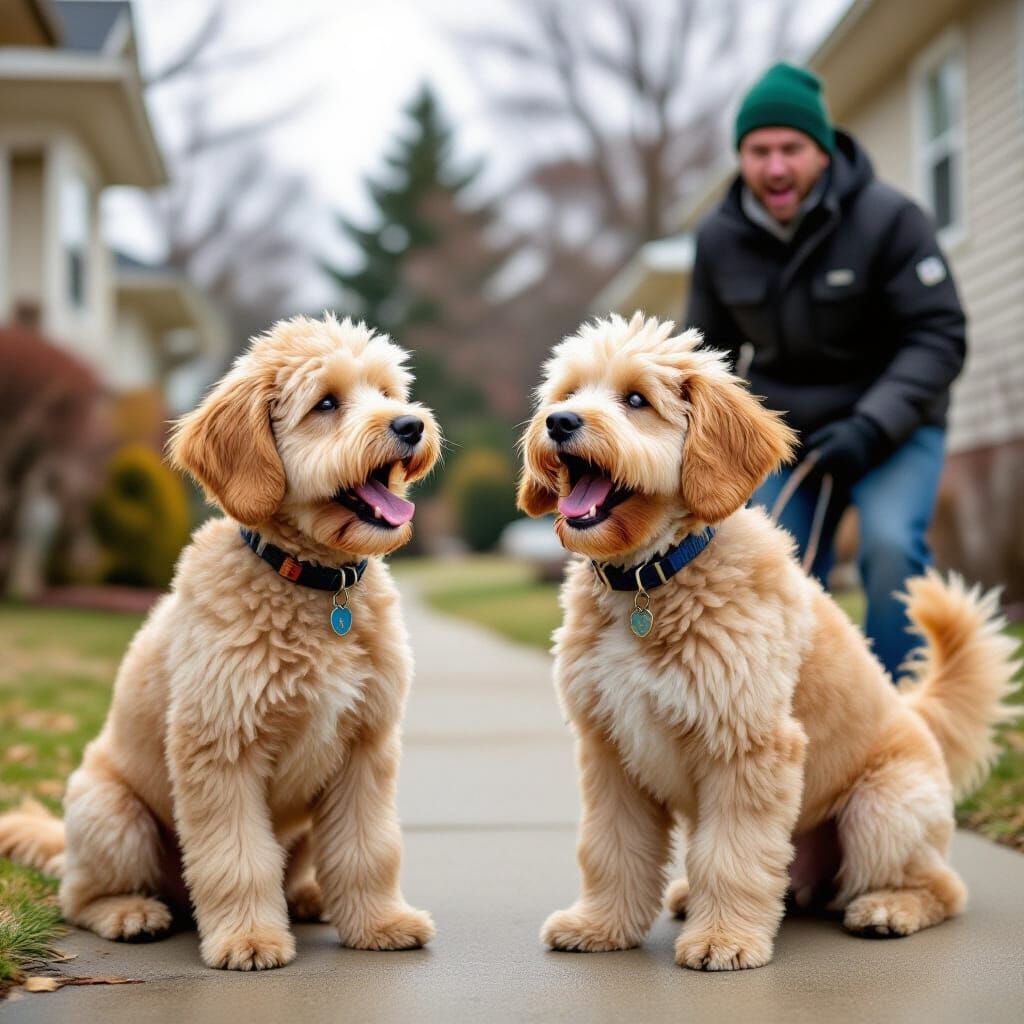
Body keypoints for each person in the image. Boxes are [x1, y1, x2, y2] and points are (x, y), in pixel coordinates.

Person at [686, 63, 966, 681]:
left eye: (791, 148)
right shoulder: (717, 239)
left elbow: (939, 336)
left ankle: (898, 717)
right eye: (760, 151)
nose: (775, 166)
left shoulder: (892, 219)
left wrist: (872, 425)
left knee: (890, 549)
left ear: (822, 150)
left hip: (895, 425)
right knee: (767, 560)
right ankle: (792, 709)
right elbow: (707, 359)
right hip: (790, 436)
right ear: (742, 156)